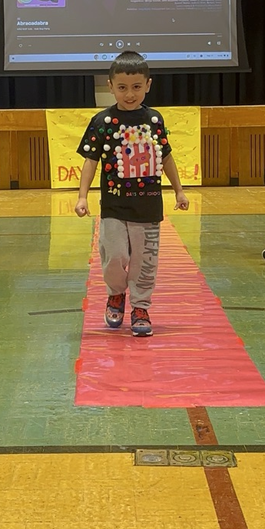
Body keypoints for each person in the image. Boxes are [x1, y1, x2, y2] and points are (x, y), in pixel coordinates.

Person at [74, 50, 189, 337]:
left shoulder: (154, 120)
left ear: (148, 85)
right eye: (122, 87)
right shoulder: (102, 121)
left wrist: (179, 191)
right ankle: (116, 293)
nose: (129, 94)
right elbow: (90, 161)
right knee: (113, 255)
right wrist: (82, 196)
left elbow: (166, 157)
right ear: (110, 86)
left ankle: (140, 307)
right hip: (114, 205)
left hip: (148, 206)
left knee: (144, 260)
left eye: (136, 87)